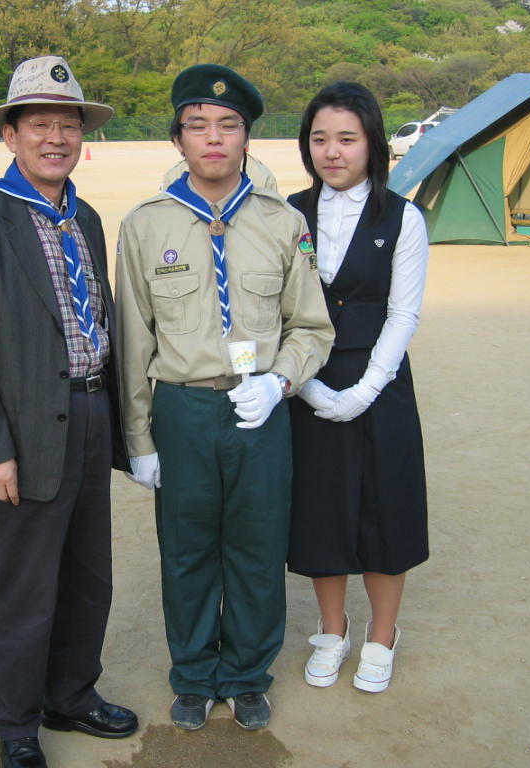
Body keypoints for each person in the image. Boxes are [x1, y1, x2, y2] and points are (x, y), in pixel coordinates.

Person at [115, 64, 333, 731]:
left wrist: (280, 381)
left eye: (228, 125)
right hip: (182, 411)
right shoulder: (144, 225)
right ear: (177, 139)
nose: (213, 138)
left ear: (246, 137)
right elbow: (133, 340)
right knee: (185, 551)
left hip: (258, 411)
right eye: (197, 125)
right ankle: (192, 674)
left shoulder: (282, 221)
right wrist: (140, 439)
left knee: (257, 550)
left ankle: (244, 674)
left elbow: (312, 327)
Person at [0, 55, 137, 768]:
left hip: (90, 416)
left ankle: (71, 695)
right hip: (22, 436)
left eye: (68, 126)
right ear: (11, 135)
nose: (56, 138)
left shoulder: (85, 217)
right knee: (23, 589)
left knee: (88, 576)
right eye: (40, 125)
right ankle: (17, 724)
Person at [286, 82, 430, 695]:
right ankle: (332, 629)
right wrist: (309, 387)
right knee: (320, 506)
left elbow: (403, 315)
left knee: (384, 509)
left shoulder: (403, 217)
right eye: (320, 139)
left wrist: (364, 391)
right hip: (305, 380)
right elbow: (275, 308)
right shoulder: (288, 212)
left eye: (347, 139)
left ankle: (382, 634)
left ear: (372, 142)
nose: (332, 152)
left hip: (380, 384)